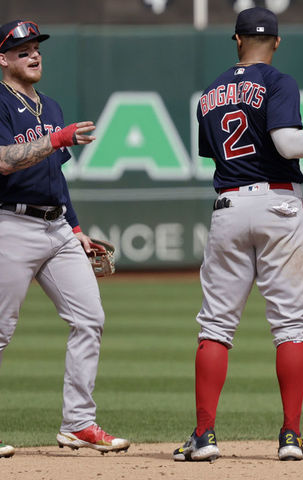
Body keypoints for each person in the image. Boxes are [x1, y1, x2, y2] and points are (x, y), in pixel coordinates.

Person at [173, 7, 303, 462]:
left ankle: (204, 436)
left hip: (229, 205)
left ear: (236, 39)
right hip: (279, 204)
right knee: (289, 326)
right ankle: (290, 436)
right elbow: (286, 143)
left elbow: (214, 153)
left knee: (215, 327)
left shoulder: (209, 93)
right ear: (278, 42)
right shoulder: (279, 81)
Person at [0, 20, 130, 455]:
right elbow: (2, 161)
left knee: (89, 319)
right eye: (22, 50)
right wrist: (56, 138)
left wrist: (75, 229)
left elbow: (56, 177)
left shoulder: (50, 107)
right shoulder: (0, 102)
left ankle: (78, 422)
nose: (34, 55)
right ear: (3, 59)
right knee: (0, 330)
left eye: (36, 48)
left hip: (56, 228)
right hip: (10, 225)